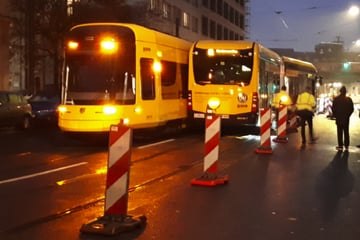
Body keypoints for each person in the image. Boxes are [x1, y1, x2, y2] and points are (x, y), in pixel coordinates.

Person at [332, 86, 354, 151]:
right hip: (346, 118)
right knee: (346, 131)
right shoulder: (349, 99)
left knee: (339, 132)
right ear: (345, 92)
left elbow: (333, 108)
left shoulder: (336, 99)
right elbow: (351, 109)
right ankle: (346, 145)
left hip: (339, 118)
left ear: (340, 91)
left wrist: (335, 115)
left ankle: (340, 146)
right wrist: (348, 115)